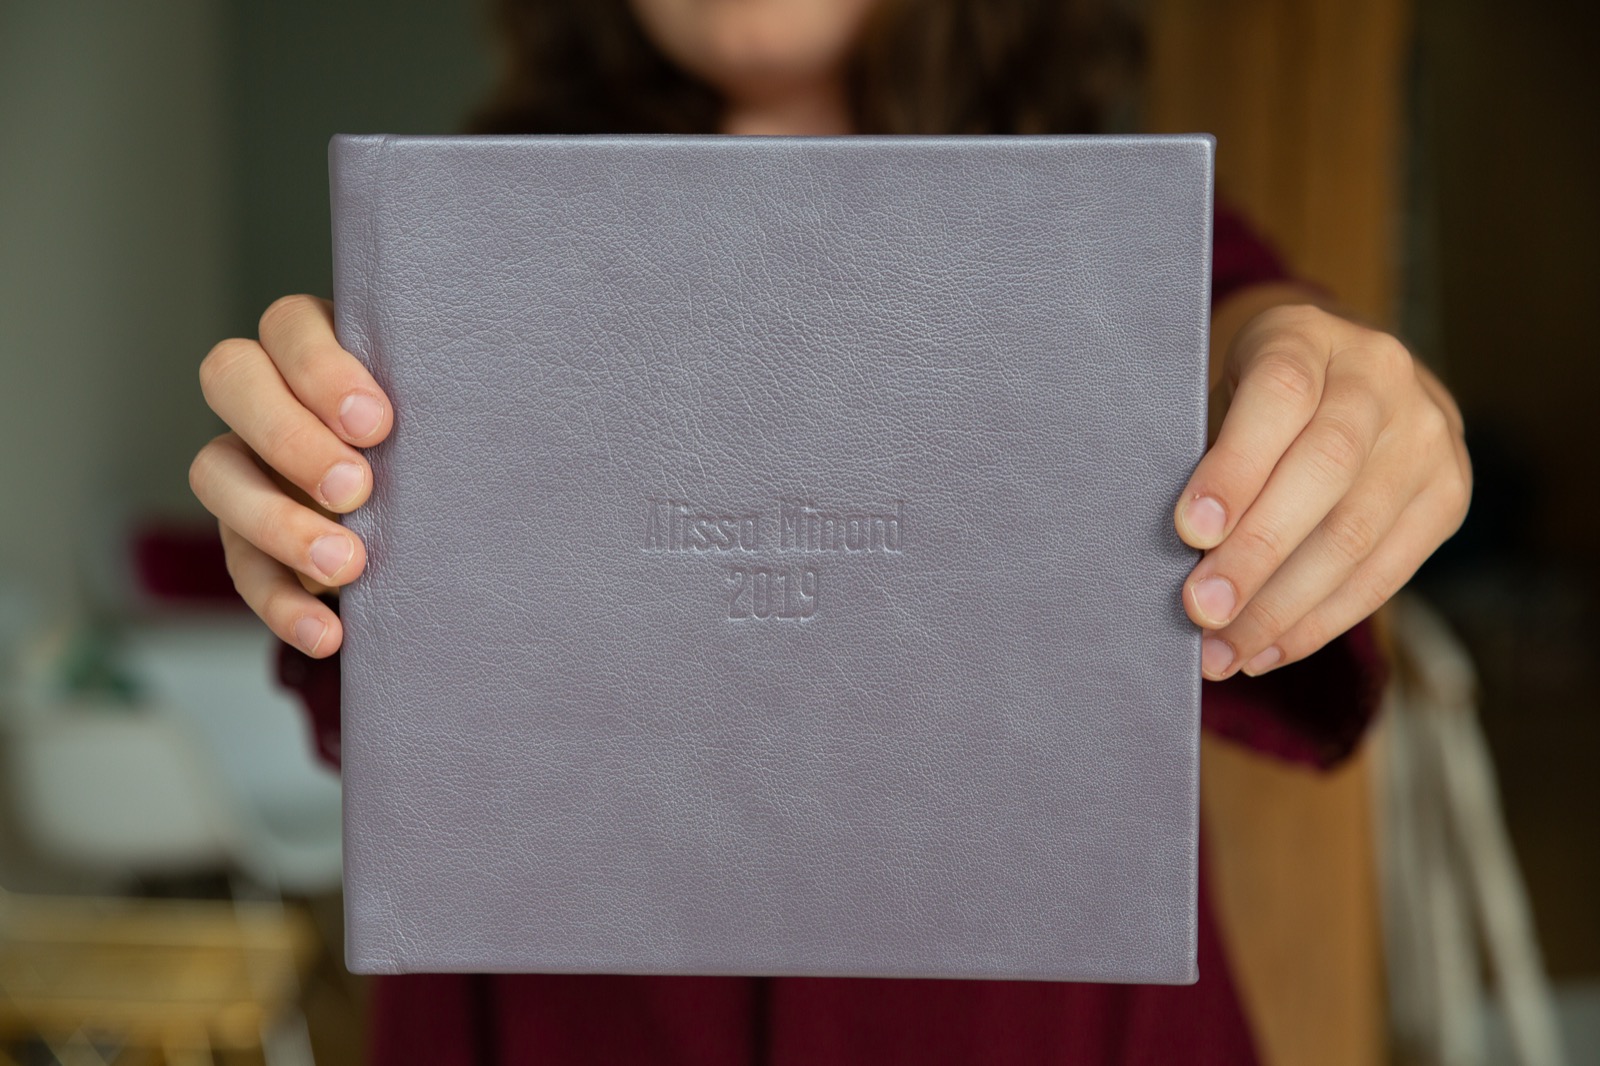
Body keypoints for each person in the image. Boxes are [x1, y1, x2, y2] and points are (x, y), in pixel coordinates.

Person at [188, 1, 1472, 1062]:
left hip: (1038, 1027)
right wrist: (316, 543)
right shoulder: (453, 261)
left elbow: (1257, 337)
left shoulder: (1126, 245)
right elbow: (427, 741)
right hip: (559, 1013)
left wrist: (1342, 400)